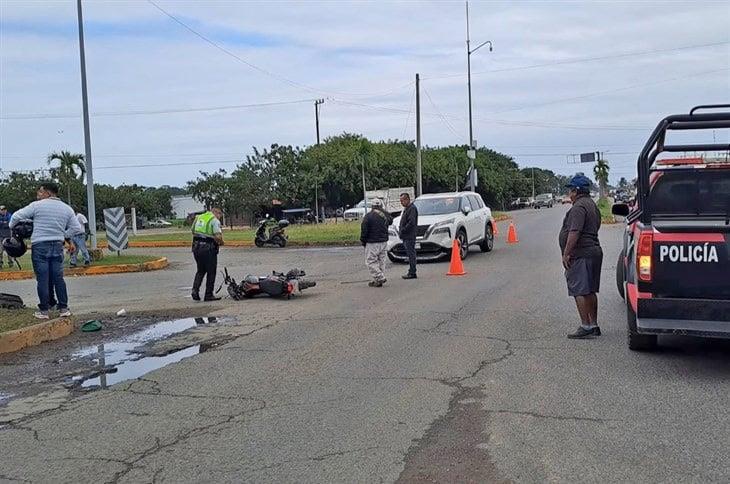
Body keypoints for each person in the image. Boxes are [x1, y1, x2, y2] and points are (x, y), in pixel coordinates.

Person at [10, 182, 83, 319]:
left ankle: (44, 311)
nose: (38, 195)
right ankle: (63, 309)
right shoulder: (66, 209)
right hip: (57, 245)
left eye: (40, 192)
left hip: (40, 245)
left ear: (48, 193)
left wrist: (13, 229)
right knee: (58, 278)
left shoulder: (36, 206)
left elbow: (15, 217)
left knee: (42, 279)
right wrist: (63, 234)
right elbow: (77, 228)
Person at [559, 174, 603, 339]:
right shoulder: (591, 205)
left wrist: (567, 253)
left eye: (571, 190)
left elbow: (574, 232)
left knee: (579, 290)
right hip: (593, 251)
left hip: (582, 253)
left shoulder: (578, 208)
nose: (569, 195)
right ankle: (594, 324)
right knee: (590, 290)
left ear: (576, 191)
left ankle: (585, 325)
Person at [191, 207, 224, 302]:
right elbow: (217, 236)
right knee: (211, 272)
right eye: (220, 216)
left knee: (200, 270)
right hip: (208, 249)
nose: (219, 219)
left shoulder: (199, 217)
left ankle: (195, 291)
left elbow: (192, 231)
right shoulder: (214, 220)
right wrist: (221, 242)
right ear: (217, 213)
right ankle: (208, 295)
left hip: (196, 247)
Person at [360, 198, 392, 287]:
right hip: (384, 241)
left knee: (370, 261)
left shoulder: (368, 216)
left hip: (372, 242)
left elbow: (364, 230)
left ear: (372, 206)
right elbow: (390, 220)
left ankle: (380, 277)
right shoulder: (385, 215)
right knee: (381, 261)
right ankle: (378, 279)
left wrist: (363, 240)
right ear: (381, 206)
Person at [399, 193, 418, 279]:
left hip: (409, 235)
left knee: (411, 254)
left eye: (402, 200)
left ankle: (412, 272)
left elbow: (411, 222)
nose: (401, 203)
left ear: (407, 199)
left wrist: (403, 230)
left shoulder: (412, 209)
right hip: (406, 235)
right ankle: (411, 270)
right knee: (410, 253)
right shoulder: (407, 209)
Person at [0, 205, 12, 269]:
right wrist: (5, 223)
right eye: (2, 210)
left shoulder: (9, 215)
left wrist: (3, 223)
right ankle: (0, 264)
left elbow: (10, 223)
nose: (3, 211)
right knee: (0, 251)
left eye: (4, 209)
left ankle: (11, 263)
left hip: (8, 236)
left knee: (9, 251)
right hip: (1, 237)